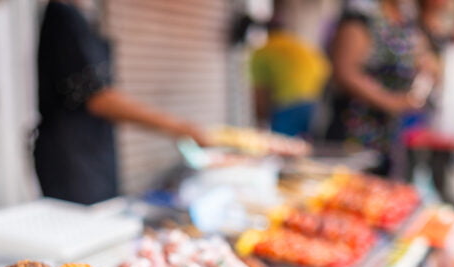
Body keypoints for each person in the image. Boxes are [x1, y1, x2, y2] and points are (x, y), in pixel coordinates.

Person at [34, 1, 207, 205]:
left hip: (97, 152)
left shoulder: (88, 18)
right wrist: (180, 127)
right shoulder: (63, 17)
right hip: (72, 160)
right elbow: (98, 99)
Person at [325, 0, 431, 177]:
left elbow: (423, 60)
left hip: (392, 135)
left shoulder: (407, 20)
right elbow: (345, 71)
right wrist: (390, 102)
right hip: (355, 130)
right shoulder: (362, 16)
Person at [250, 17, 331, 137]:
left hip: (288, 102)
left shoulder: (262, 51)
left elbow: (260, 92)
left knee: (282, 141)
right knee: (304, 142)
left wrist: (261, 119)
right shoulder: (299, 44)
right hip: (313, 99)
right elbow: (324, 66)